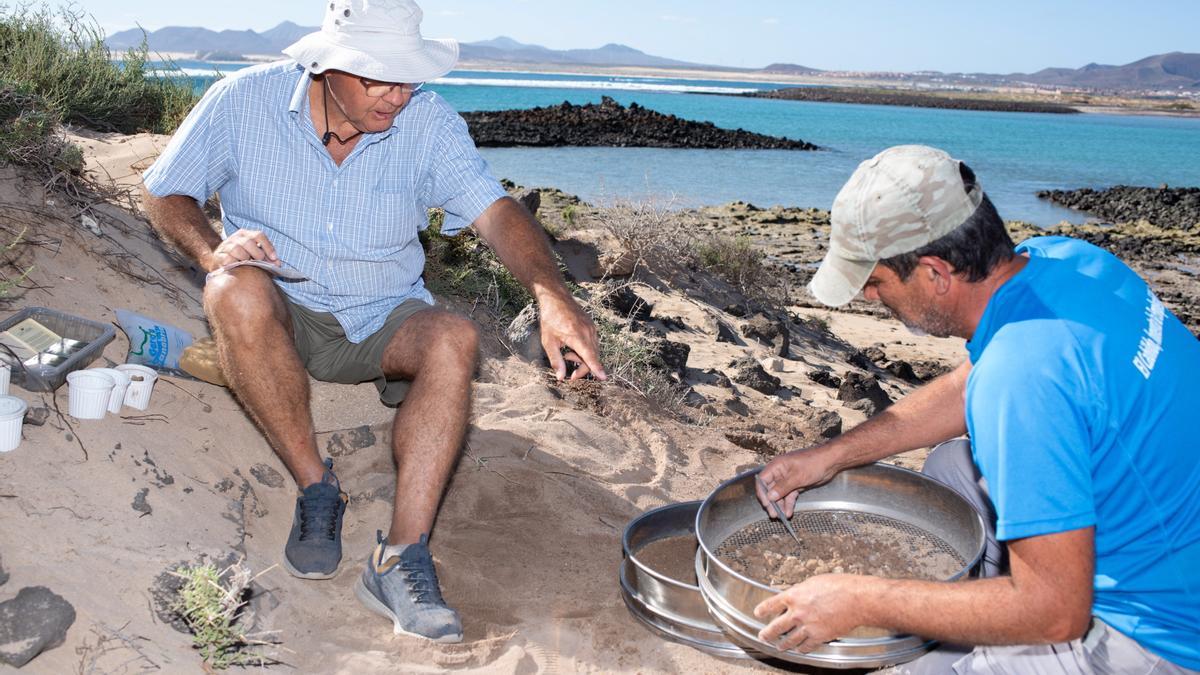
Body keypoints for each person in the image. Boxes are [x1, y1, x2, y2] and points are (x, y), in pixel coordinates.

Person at [141, 0, 606, 644]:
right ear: (329, 66)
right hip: (284, 309)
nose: (399, 95)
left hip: (383, 314)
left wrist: (553, 296)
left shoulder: (430, 124)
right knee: (230, 289)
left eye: (409, 77)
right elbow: (165, 190)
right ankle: (316, 486)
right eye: (380, 78)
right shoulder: (241, 102)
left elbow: (496, 213)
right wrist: (209, 249)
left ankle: (399, 556)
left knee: (454, 335)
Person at [754, 145, 1200, 673]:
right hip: (1167, 530)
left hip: (1158, 633)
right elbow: (970, 386)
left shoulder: (1024, 376)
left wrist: (859, 598)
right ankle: (986, 599)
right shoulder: (1066, 261)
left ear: (936, 273)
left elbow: (1057, 613)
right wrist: (830, 456)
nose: (871, 300)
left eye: (875, 281)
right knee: (949, 467)